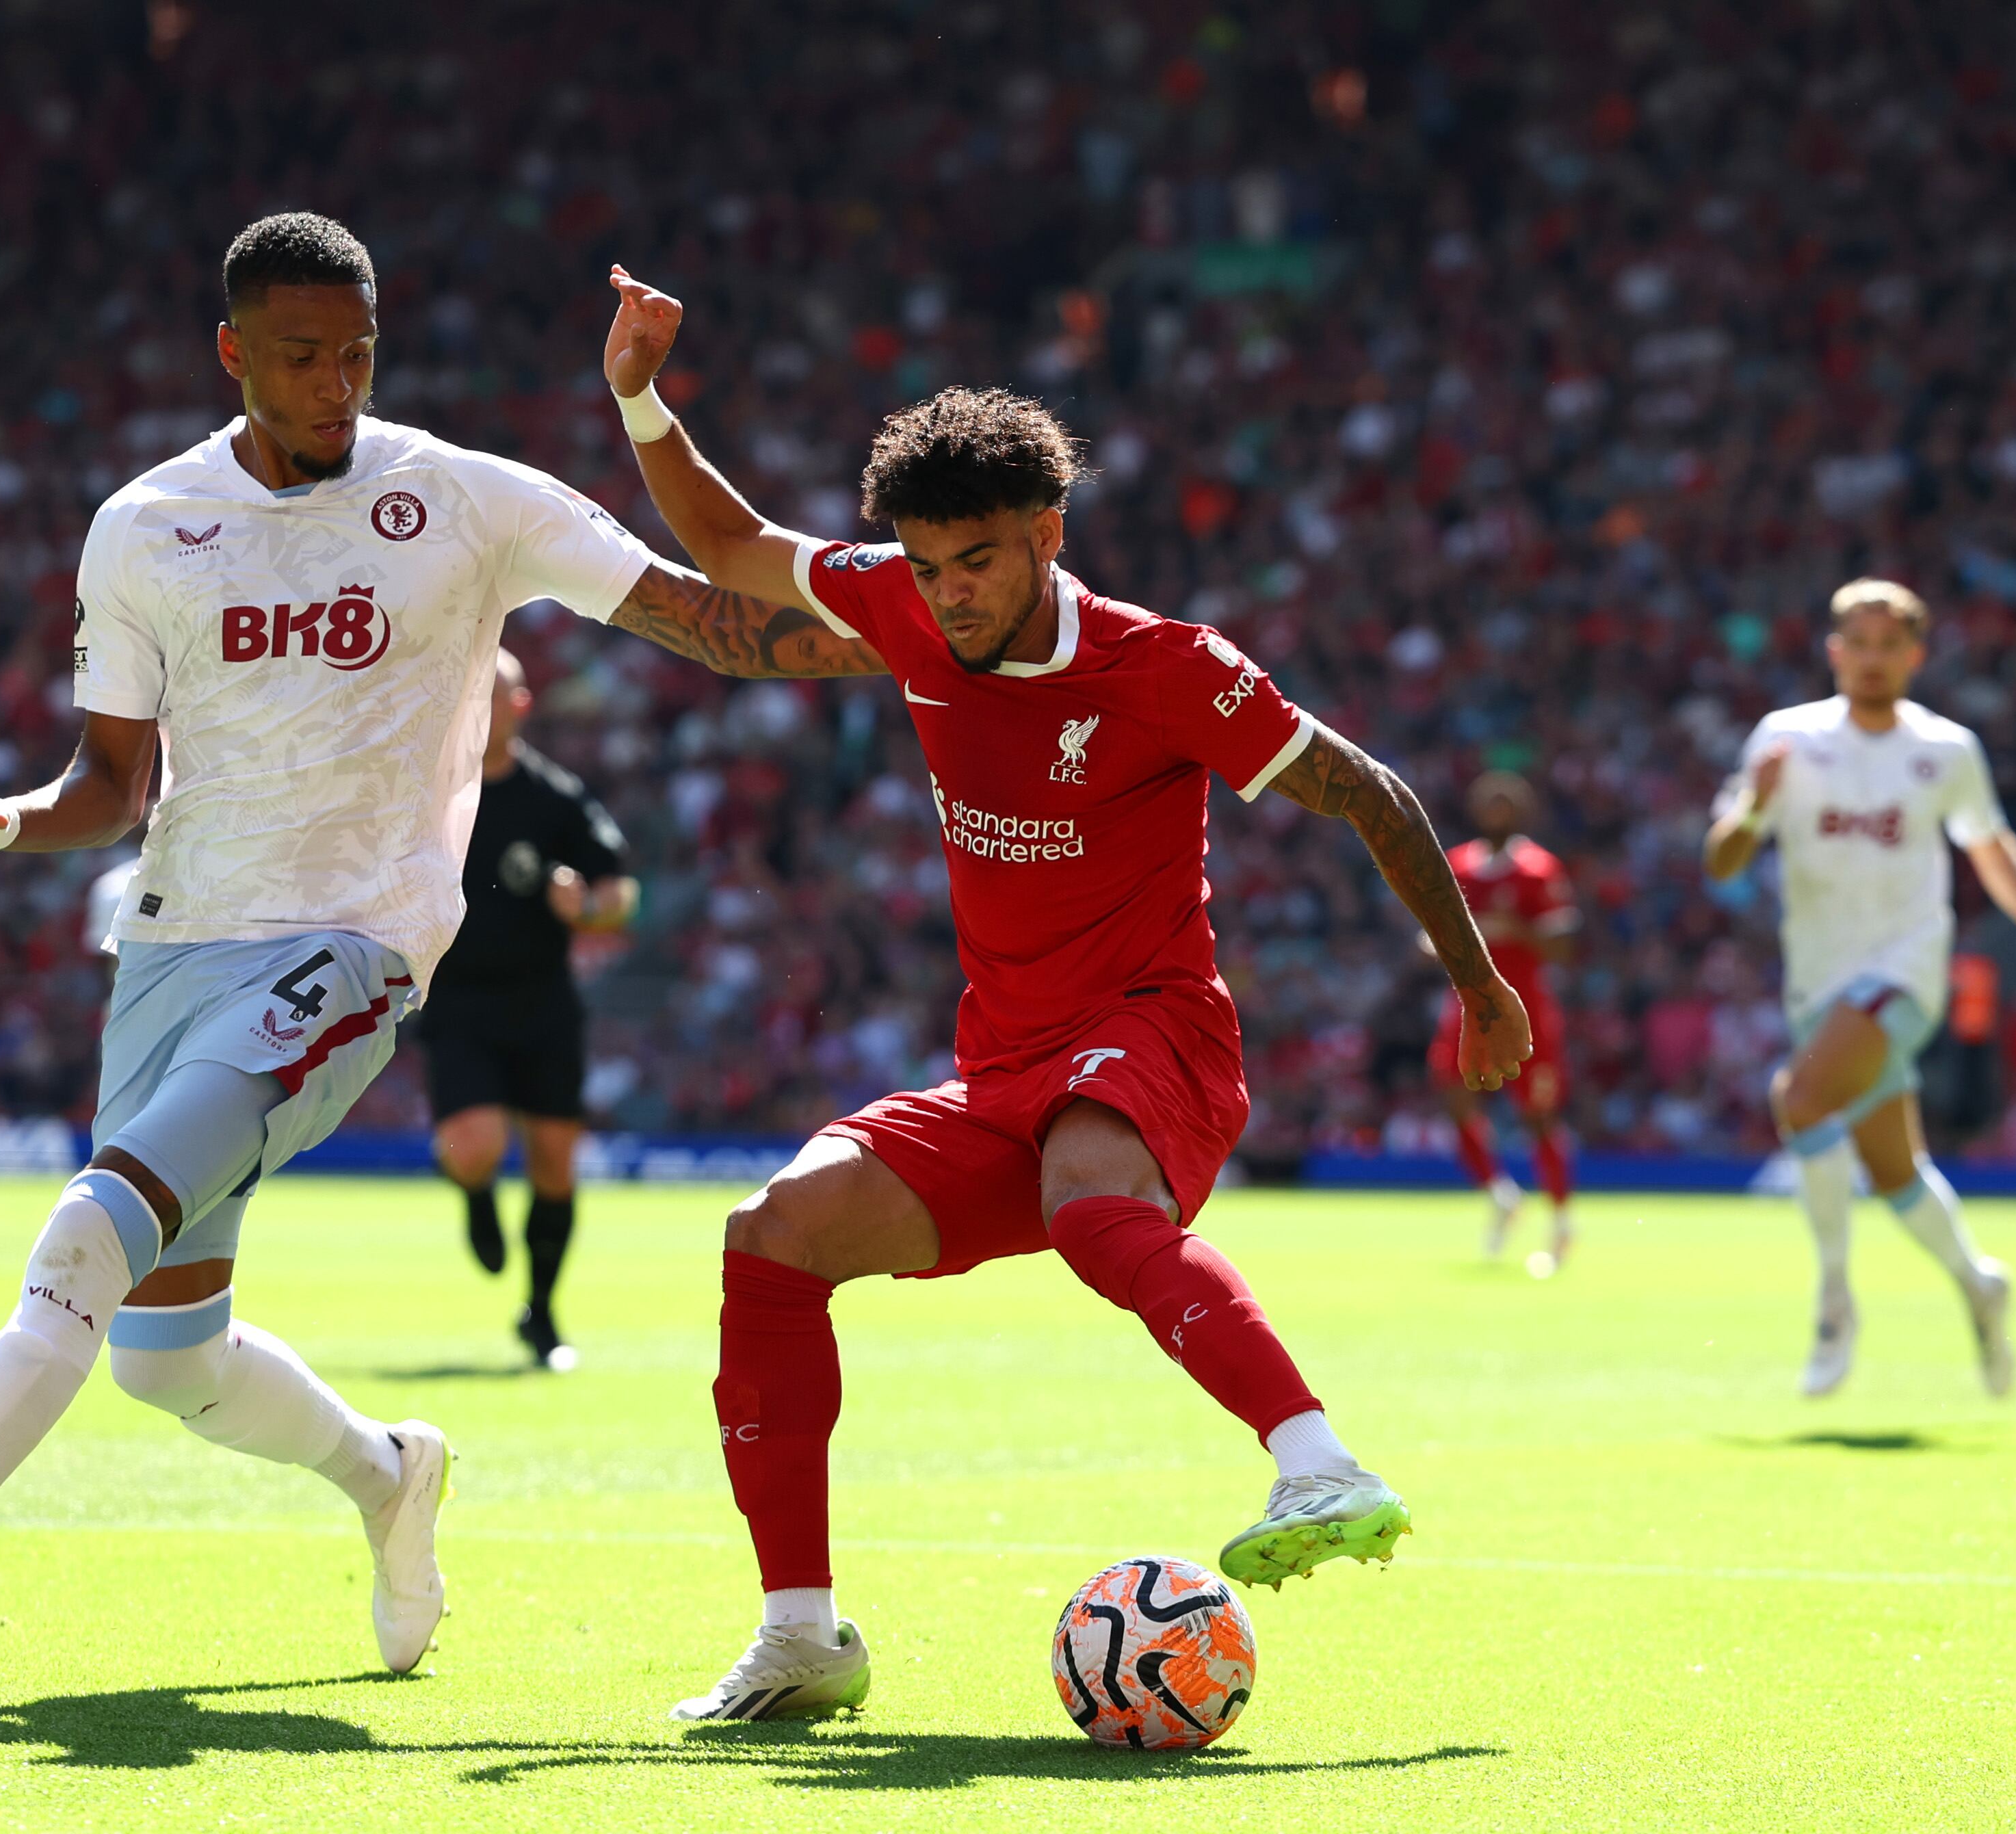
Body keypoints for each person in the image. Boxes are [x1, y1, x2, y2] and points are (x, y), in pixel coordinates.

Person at [0, 213, 832, 1687]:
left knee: (83, 1231)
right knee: (165, 1355)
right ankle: (391, 1473)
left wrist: (908, 635)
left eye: (358, 354)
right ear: (231, 350)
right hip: (177, 942)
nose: (336, 384)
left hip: (352, 945)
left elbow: (704, 620)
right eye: (303, 355)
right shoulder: (143, 525)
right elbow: (111, 788)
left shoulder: (466, 496)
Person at [597, 269, 1530, 1722]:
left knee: (1099, 1208)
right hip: (1006, 1069)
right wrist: (641, 397)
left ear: (1044, 534)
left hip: (1156, 1031)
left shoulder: (1161, 667)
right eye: (922, 563)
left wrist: (1474, 980)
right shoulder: (898, 606)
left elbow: (1367, 788)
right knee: (770, 1236)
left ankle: (1315, 1458)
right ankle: (800, 1636)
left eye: (973, 560)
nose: (945, 591)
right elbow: (730, 543)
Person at [1704, 578, 2016, 1399]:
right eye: (1857, 644)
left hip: (1905, 971)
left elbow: (1988, 842)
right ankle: (1979, 1283)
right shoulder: (1786, 739)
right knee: (1894, 1170)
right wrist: (1752, 808)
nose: (1872, 660)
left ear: (1914, 654)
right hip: (1817, 978)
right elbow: (1721, 858)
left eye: (1889, 645)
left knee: (1798, 1100)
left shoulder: (1944, 749)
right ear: (1834, 651)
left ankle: (1833, 1301)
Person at [423, 648, 637, 1370]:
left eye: (494, 693)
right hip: (457, 1001)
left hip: (543, 1002)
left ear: (520, 706)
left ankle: (541, 1313)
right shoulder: (430, 793)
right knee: (475, 1143)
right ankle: (477, 1195)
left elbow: (617, 889)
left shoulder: (555, 798)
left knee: (553, 1163)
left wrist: (591, 909)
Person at [1427, 772, 1579, 1274]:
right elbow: (1431, 932)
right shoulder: (1458, 865)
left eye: (1505, 803)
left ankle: (1560, 1222)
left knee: (1538, 1114)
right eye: (1487, 801)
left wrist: (1514, 930)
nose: (1496, 810)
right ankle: (1500, 1192)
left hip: (1527, 1006)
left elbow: (1561, 943)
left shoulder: (1539, 869)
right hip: (1468, 1005)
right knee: (1453, 1094)